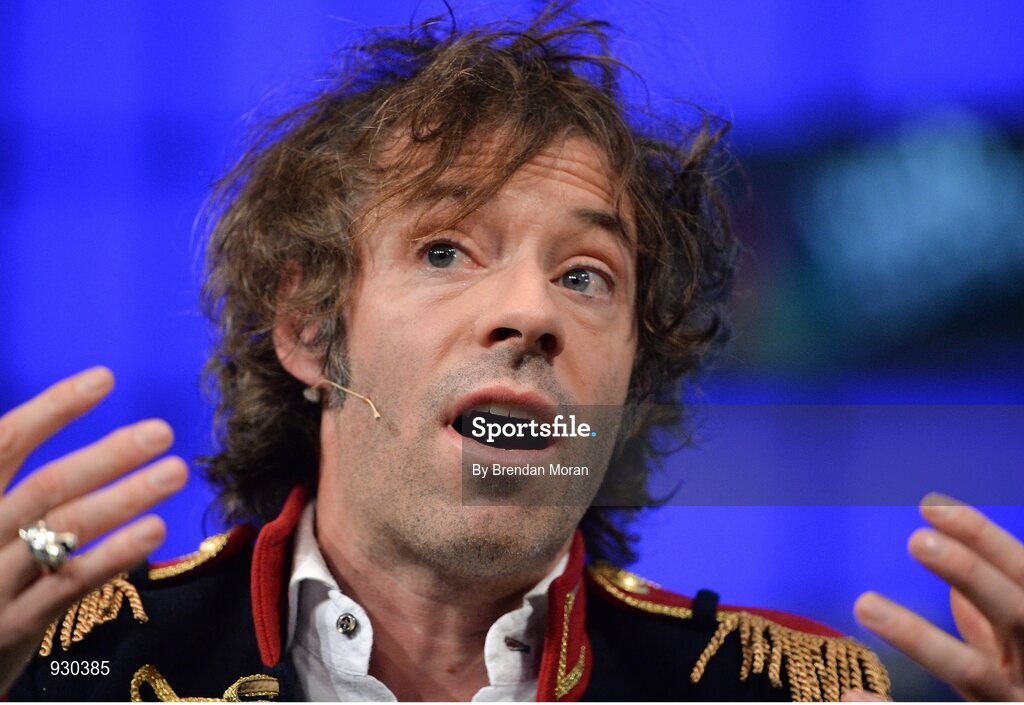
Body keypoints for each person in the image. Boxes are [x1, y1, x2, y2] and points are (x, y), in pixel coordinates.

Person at [1, 5, 1022, 701]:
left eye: (586, 276)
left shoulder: (789, 691)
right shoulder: (63, 668)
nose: (532, 312)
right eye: (446, 250)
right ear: (312, 331)